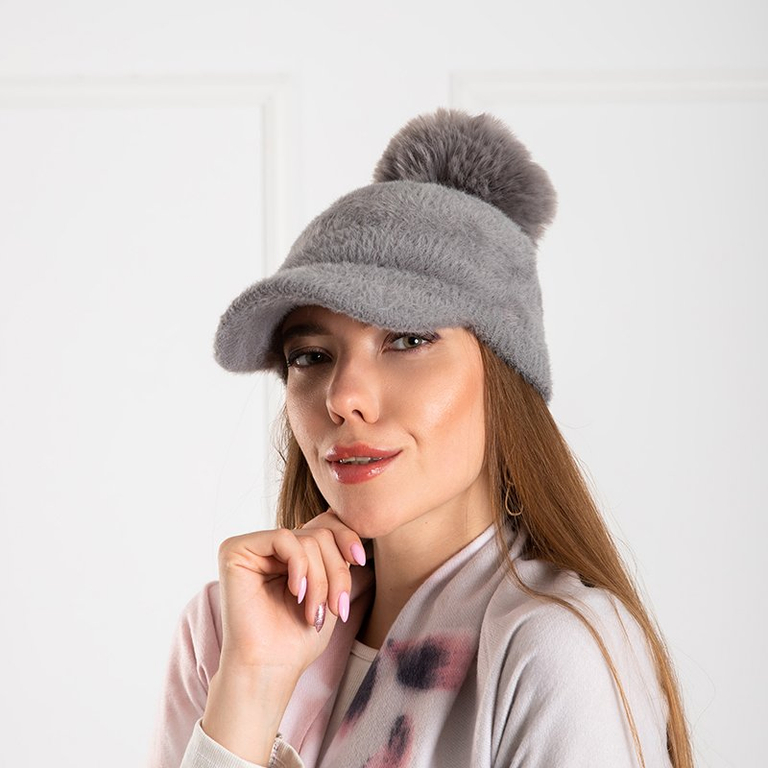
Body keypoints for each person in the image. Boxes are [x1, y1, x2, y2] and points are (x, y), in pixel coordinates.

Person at [147, 107, 695, 768]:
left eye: (407, 339)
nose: (344, 396)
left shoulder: (551, 651)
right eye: (310, 356)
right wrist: (252, 685)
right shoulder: (228, 632)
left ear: (502, 376)